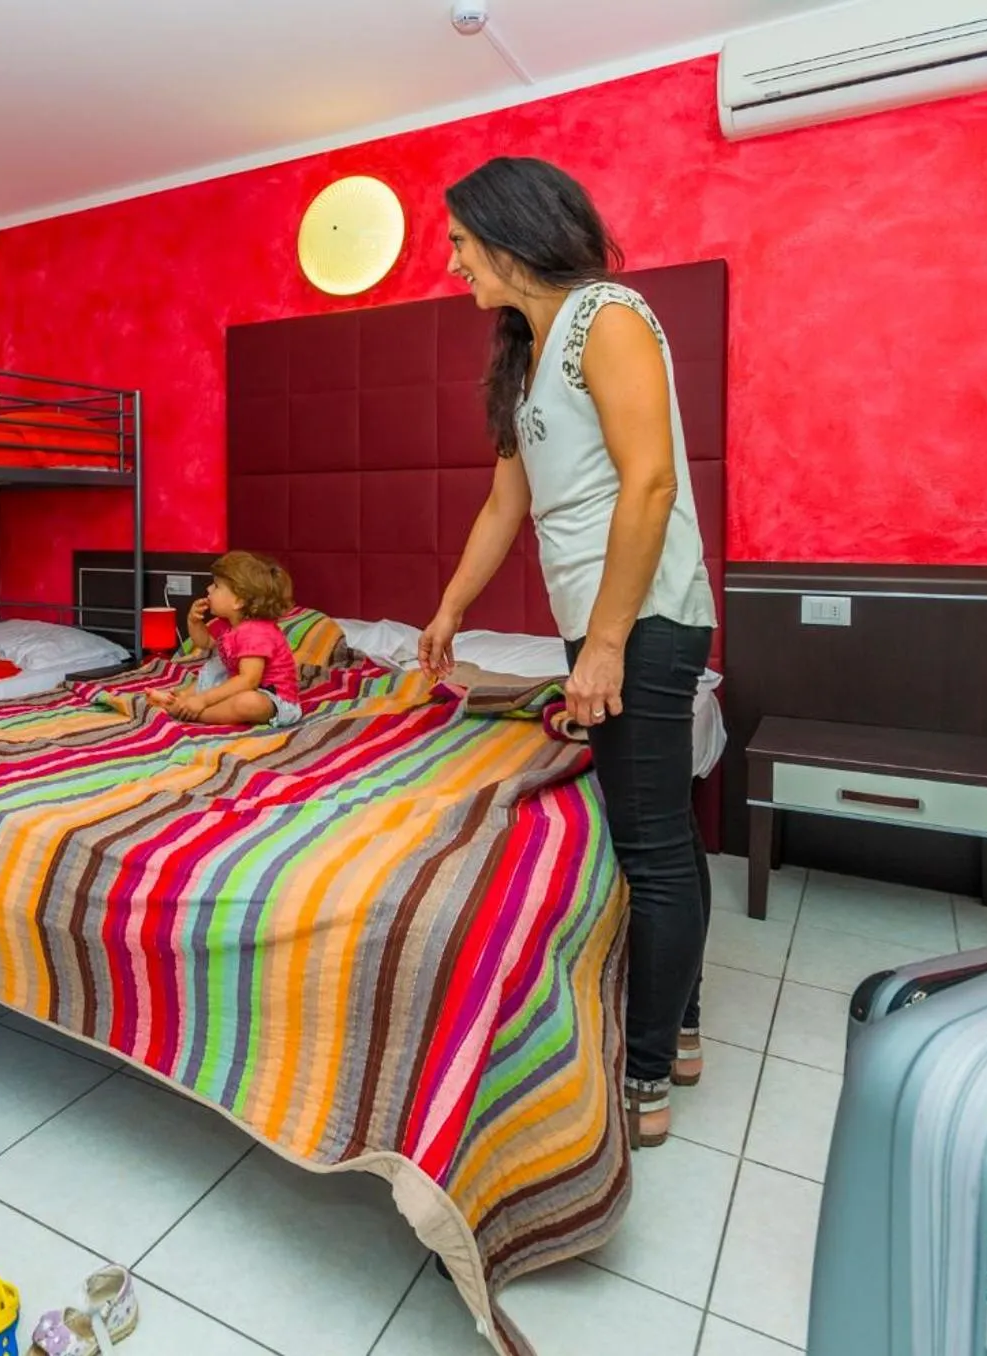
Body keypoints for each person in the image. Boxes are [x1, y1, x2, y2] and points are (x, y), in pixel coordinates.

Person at [418, 157, 718, 1151]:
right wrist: (449, 611)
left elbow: (648, 488)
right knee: (661, 829)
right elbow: (506, 504)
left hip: (642, 617)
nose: (453, 260)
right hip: (605, 615)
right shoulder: (527, 350)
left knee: (647, 846)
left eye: (461, 241)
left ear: (508, 237)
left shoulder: (606, 317)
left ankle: (642, 1077)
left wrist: (604, 645)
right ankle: (676, 1031)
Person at [148, 551, 302, 728]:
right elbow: (204, 643)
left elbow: (249, 680)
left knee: (248, 702)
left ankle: (193, 713)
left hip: (273, 698)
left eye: (216, 586)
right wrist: (194, 621)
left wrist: (204, 700)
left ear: (238, 601)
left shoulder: (256, 632)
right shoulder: (226, 623)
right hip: (237, 682)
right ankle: (179, 699)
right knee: (213, 671)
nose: (208, 590)